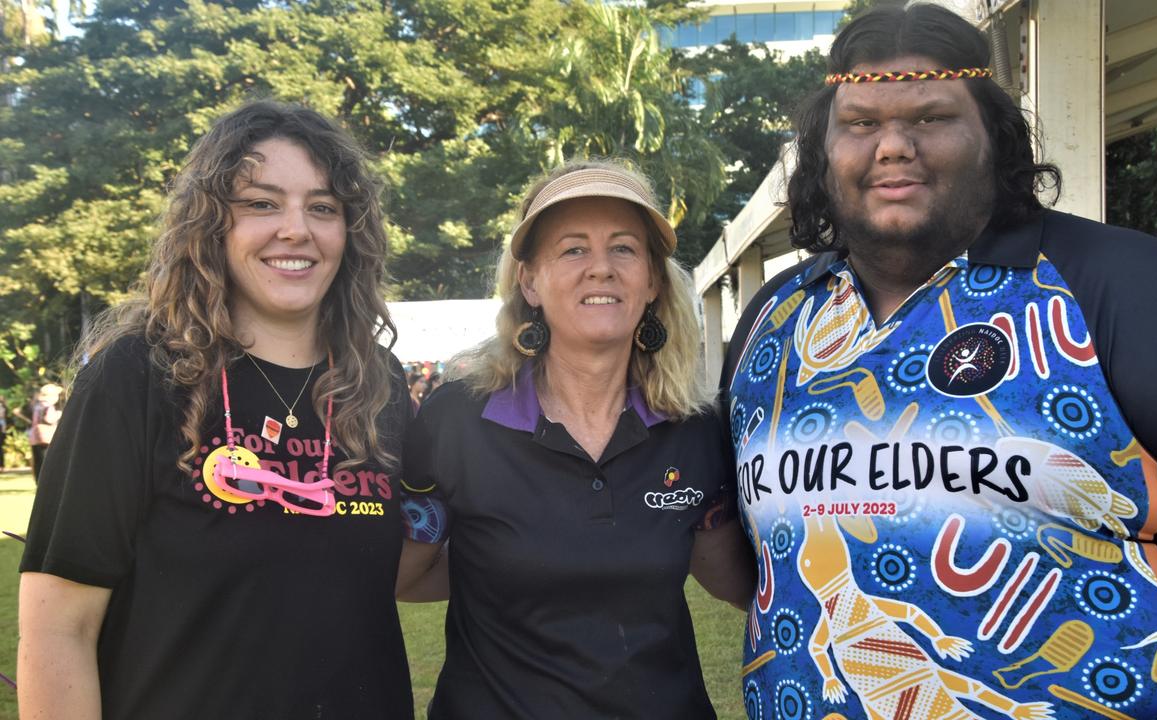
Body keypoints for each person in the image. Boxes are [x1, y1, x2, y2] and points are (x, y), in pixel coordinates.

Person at [722, 5, 1157, 719]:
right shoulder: (773, 322)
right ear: (822, 148)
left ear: (994, 135)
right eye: (860, 123)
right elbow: (759, 552)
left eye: (930, 117)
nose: (893, 145)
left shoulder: (1130, 289)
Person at [18, 100, 423, 719]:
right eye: (262, 203)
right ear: (212, 225)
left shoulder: (378, 383)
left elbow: (405, 564)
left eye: (323, 207)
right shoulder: (138, 375)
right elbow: (58, 630)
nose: (297, 229)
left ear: (350, 231)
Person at [396, 160, 753, 718]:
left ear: (654, 280)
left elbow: (733, 577)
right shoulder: (456, 419)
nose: (601, 269)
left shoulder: (696, 429)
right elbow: (406, 572)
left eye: (624, 249)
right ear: (530, 281)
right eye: (573, 249)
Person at [27, 383, 62, 482]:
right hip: (46, 437)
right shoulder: (48, 406)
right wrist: (58, 414)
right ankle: (47, 481)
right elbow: (49, 419)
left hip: (35, 436)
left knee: (38, 461)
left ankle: (38, 481)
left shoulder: (37, 405)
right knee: (46, 461)